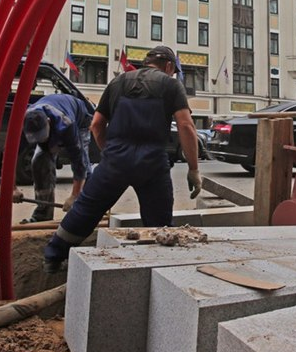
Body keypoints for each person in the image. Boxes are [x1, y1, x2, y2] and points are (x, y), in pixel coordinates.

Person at [42, 45, 202, 273]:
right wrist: (194, 169)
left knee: (85, 210)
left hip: (115, 161)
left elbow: (96, 124)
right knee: (159, 222)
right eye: (173, 70)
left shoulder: (118, 82)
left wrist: (111, 153)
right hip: (152, 164)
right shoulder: (170, 84)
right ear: (168, 66)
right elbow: (186, 126)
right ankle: (162, 270)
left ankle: (53, 258)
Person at [12, 94, 93, 222]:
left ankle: (86, 212)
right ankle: (43, 214)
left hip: (79, 120)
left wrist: (74, 196)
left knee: (86, 171)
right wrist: (12, 189)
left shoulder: (67, 124)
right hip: (56, 119)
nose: (40, 140)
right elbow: (10, 158)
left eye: (42, 136)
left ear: (48, 122)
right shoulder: (24, 123)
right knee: (38, 161)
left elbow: (79, 162)